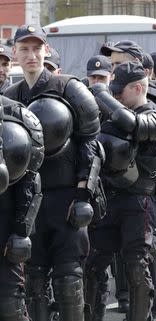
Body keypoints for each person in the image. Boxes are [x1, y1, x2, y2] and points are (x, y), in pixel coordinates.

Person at [5, 24, 103, 321]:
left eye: (37, 48)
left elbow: (91, 141)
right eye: (25, 49)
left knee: (68, 278)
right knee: (33, 280)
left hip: (67, 196)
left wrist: (85, 193)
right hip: (29, 201)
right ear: (15, 55)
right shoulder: (11, 96)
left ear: (46, 50)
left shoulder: (69, 87)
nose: (31, 55)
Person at [90, 61, 156, 321]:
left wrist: (101, 93)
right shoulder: (114, 115)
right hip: (109, 200)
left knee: (137, 267)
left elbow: (133, 125)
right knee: (92, 265)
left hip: (140, 203)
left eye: (119, 91)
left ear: (137, 88)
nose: (115, 96)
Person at [0, 94, 44, 321]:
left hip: (5, 222)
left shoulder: (16, 113)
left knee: (11, 305)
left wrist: (20, 230)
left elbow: (30, 179)